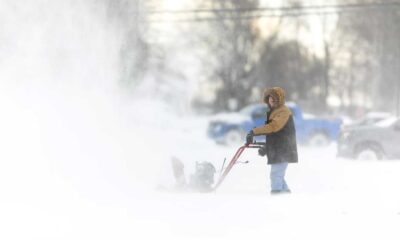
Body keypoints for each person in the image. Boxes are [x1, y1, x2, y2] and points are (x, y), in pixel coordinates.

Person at [246, 87, 298, 194]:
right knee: (279, 176)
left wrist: (254, 131)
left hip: (284, 150)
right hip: (280, 149)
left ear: (279, 99)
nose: (271, 101)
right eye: (269, 99)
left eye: (273, 99)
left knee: (276, 175)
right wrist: (266, 148)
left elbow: (273, 127)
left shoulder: (283, 112)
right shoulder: (275, 112)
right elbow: (275, 135)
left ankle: (276, 197)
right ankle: (285, 196)